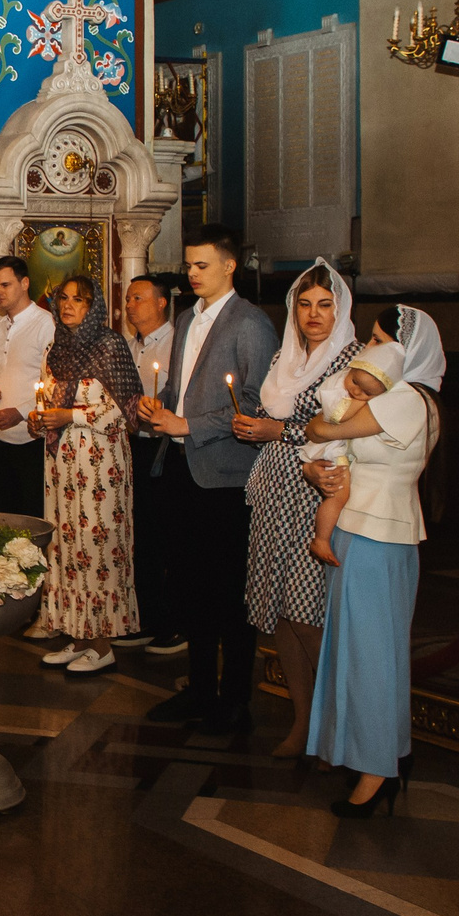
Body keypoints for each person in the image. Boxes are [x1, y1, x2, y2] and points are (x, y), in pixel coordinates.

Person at [137, 225, 279, 736]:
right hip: (180, 467)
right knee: (190, 585)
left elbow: (258, 403)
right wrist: (158, 406)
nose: (192, 274)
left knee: (228, 589)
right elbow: (179, 386)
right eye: (189, 265)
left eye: (201, 265)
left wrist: (188, 424)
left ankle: (235, 696)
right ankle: (198, 688)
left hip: (225, 476)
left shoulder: (251, 324)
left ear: (228, 266)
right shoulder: (185, 319)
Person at [301, 340, 440, 814]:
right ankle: (374, 755)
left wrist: (320, 429)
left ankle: (378, 769)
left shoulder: (406, 398)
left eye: (383, 338)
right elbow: (324, 439)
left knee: (372, 654)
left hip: (377, 531)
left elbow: (321, 425)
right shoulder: (389, 399)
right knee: (358, 650)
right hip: (360, 528)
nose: (373, 347)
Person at [230, 260, 359, 758]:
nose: (313, 314)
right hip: (274, 490)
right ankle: (302, 721)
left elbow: (340, 426)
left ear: (340, 309)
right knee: (281, 611)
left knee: (308, 611)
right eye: (304, 304)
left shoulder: (351, 359)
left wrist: (274, 431)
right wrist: (255, 425)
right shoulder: (286, 355)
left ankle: (334, 722)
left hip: (316, 490)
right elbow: (270, 415)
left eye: (325, 305)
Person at [29, 275, 142, 675]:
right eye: (64, 298)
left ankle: (103, 643)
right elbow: (44, 396)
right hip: (61, 465)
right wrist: (38, 417)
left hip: (100, 465)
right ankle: (76, 636)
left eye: (79, 299)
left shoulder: (110, 345)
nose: (68, 305)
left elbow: (125, 411)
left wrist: (69, 416)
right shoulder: (55, 348)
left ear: (94, 306)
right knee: (65, 547)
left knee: (97, 549)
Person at [122, 273, 182, 658]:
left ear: (162, 303)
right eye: (127, 299)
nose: (130, 305)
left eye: (138, 298)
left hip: (168, 450)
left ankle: (175, 623)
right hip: (134, 447)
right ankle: (145, 618)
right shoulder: (128, 346)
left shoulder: (179, 344)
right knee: (138, 536)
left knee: (169, 537)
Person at [0, 255, 54, 520]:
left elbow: (54, 385)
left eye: (5, 285)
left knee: (33, 520)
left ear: (25, 283)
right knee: (3, 518)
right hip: (0, 440)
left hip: (34, 442)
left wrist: (20, 412)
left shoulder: (46, 324)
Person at [302, 365, 392, 567]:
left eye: (366, 392)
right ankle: (321, 539)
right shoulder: (340, 391)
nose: (356, 391)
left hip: (331, 445)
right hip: (331, 449)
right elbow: (337, 416)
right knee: (339, 496)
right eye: (354, 382)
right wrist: (364, 401)